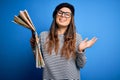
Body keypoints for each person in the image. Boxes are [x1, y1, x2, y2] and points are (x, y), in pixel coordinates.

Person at [30, 3, 97, 80]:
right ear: (55, 15)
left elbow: (81, 65)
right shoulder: (43, 36)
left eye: (67, 14)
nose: (63, 15)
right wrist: (34, 47)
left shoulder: (77, 37)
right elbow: (40, 63)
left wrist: (80, 50)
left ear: (71, 18)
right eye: (60, 12)